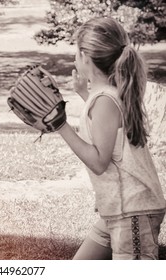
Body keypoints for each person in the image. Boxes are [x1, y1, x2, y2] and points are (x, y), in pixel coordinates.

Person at [55, 17, 166, 259]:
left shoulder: (106, 99)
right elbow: (107, 132)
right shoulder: (106, 96)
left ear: (85, 56)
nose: (74, 57)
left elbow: (98, 161)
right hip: (120, 208)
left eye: (76, 51)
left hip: (132, 210)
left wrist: (60, 125)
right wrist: (84, 93)